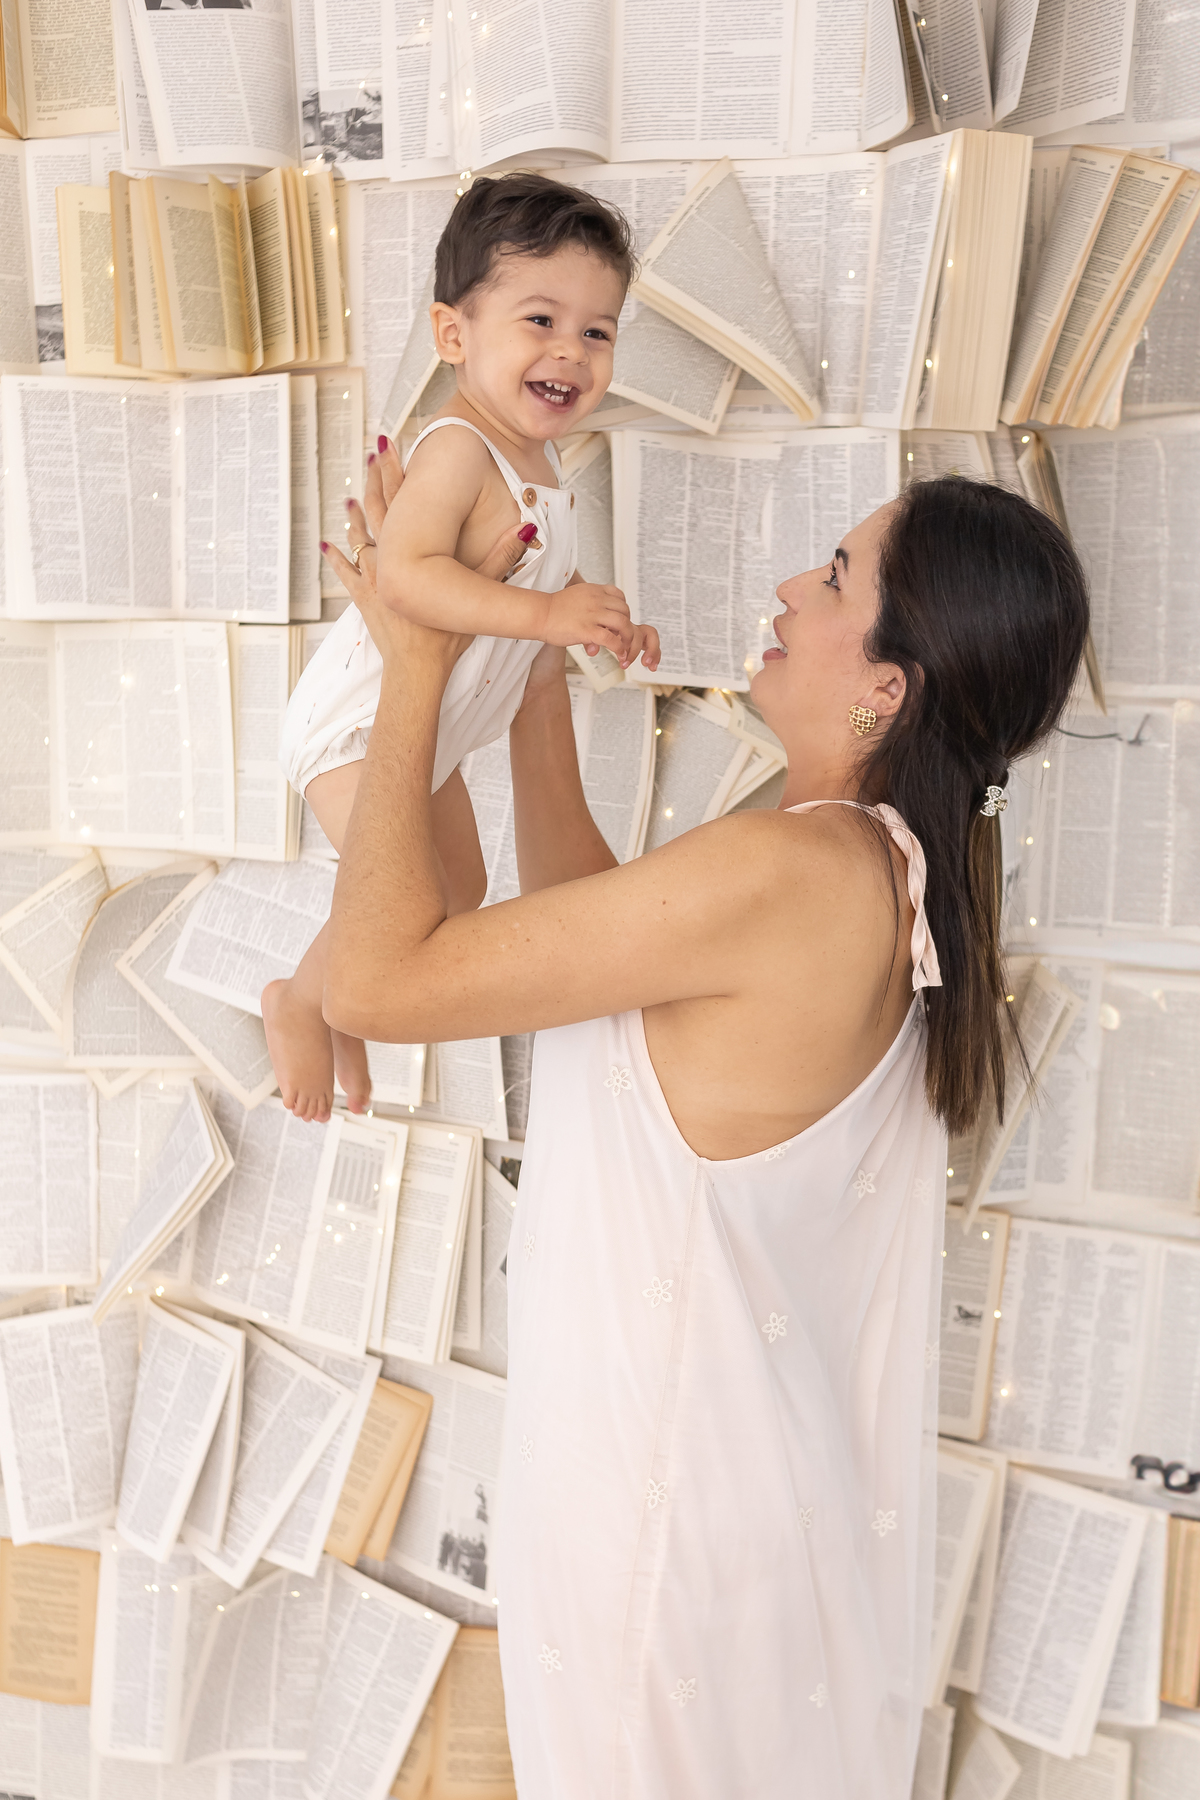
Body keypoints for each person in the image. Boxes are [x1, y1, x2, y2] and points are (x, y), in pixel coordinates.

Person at [318, 456, 1089, 1799]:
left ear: (888, 686)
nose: (791, 587)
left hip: (663, 1541)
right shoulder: (864, 867)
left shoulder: (790, 870)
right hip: (712, 1527)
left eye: (836, 577)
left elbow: (375, 984)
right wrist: (532, 676)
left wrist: (415, 661)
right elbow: (597, 958)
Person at [265, 173, 661, 1124]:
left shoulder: (541, 458)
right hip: (358, 724)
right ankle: (300, 1000)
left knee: (461, 891)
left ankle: (334, 997)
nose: (570, 351)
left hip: (428, 723)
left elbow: (523, 569)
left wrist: (596, 617)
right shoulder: (456, 448)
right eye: (541, 321)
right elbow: (406, 578)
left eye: (597, 331)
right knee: (415, 900)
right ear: (453, 336)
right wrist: (549, 618)